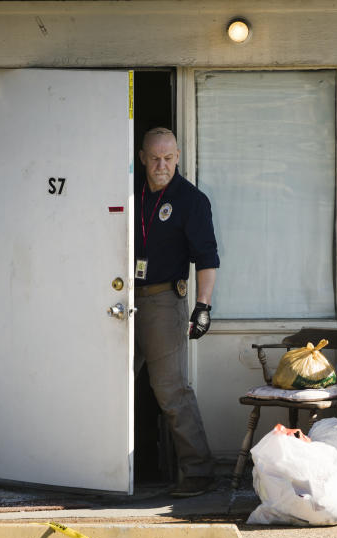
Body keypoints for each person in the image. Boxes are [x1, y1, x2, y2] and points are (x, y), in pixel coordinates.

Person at [134, 127, 219, 498]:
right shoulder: (128, 193)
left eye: (168, 158)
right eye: (154, 158)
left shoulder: (191, 200)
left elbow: (207, 258)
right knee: (109, 390)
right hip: (121, 301)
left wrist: (203, 306)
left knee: (170, 390)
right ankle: (98, 474)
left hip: (163, 302)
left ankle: (199, 473)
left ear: (178, 157)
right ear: (142, 158)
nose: (161, 165)